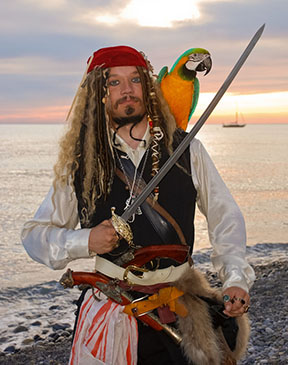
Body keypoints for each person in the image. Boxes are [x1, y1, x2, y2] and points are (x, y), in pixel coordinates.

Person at [21, 45, 255, 365]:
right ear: (99, 94)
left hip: (181, 306)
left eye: (134, 80)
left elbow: (225, 215)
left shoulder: (187, 150)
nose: (126, 90)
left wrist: (235, 278)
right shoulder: (80, 164)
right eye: (114, 82)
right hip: (111, 305)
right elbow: (34, 235)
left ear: (148, 87)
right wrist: (84, 241)